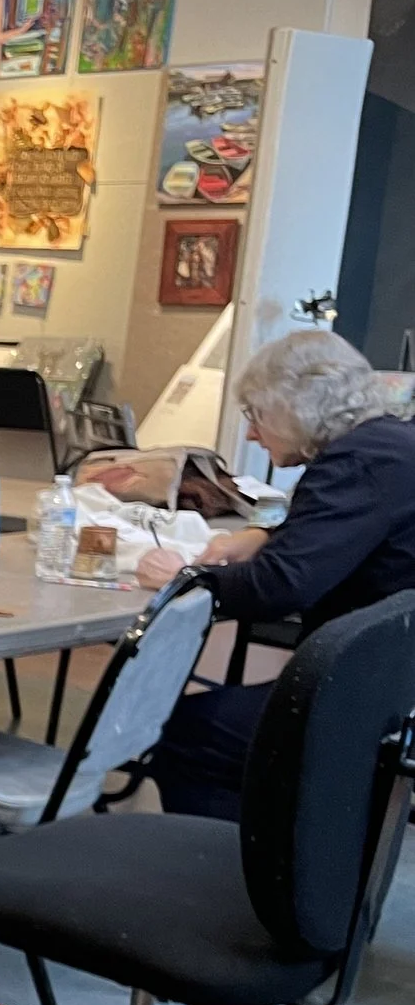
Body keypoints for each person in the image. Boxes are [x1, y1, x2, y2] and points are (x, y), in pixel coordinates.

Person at [135, 330, 415, 819]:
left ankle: (231, 877)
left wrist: (187, 576)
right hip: (397, 681)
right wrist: (265, 536)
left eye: (256, 415)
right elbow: (350, 532)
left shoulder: (356, 461)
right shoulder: (389, 445)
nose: (250, 434)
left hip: (378, 697)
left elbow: (281, 586)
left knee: (191, 734)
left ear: (297, 406)